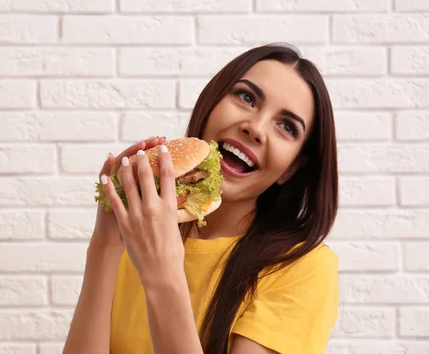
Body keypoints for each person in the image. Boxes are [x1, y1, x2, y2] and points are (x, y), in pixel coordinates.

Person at [62, 43, 340, 354]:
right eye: (247, 97)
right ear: (210, 104)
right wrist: (106, 241)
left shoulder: (302, 267)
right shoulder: (141, 232)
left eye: (286, 127)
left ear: (291, 169)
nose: (255, 127)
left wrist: (163, 276)